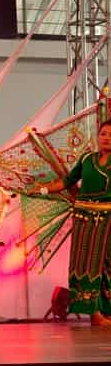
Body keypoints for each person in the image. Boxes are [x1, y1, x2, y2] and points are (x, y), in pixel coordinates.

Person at [34, 120, 111, 326]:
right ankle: (94, 313)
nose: (107, 138)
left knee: (107, 266)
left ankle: (106, 311)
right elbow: (67, 182)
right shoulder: (87, 159)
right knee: (87, 265)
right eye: (103, 134)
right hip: (84, 219)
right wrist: (42, 189)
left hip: (108, 220)